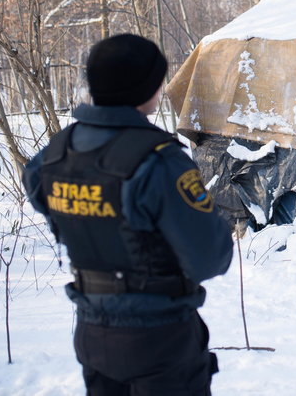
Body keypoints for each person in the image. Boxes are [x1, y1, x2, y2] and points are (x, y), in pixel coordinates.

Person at [23, 34, 234, 395]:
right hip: (159, 336)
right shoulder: (159, 161)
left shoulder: (56, 153)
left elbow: (49, 204)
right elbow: (209, 258)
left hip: (92, 331)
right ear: (148, 87)